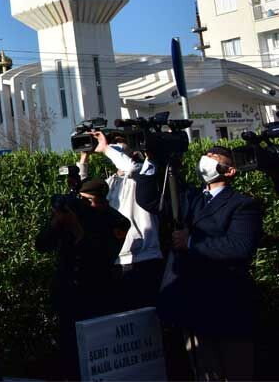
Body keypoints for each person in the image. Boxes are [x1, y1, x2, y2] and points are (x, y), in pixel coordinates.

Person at [133, 146, 263, 381]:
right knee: (205, 370)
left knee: (236, 368)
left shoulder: (242, 204)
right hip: (195, 302)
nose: (207, 160)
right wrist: (151, 160)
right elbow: (149, 199)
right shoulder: (190, 197)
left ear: (230, 170)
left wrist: (191, 243)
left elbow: (239, 246)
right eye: (207, 155)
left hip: (228, 303)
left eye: (215, 157)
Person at [36, 177, 130, 380]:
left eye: (90, 202)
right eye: (83, 201)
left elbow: (102, 256)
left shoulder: (115, 222)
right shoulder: (73, 216)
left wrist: (78, 229)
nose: (85, 206)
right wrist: (56, 223)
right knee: (70, 357)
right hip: (68, 297)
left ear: (103, 202)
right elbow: (41, 245)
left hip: (97, 297)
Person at [78, 132, 163, 311]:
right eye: (111, 143)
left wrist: (106, 148)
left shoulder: (143, 171)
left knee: (148, 316)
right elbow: (84, 190)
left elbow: (131, 168)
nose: (113, 146)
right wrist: (84, 157)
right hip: (119, 260)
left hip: (145, 258)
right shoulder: (111, 182)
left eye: (119, 143)